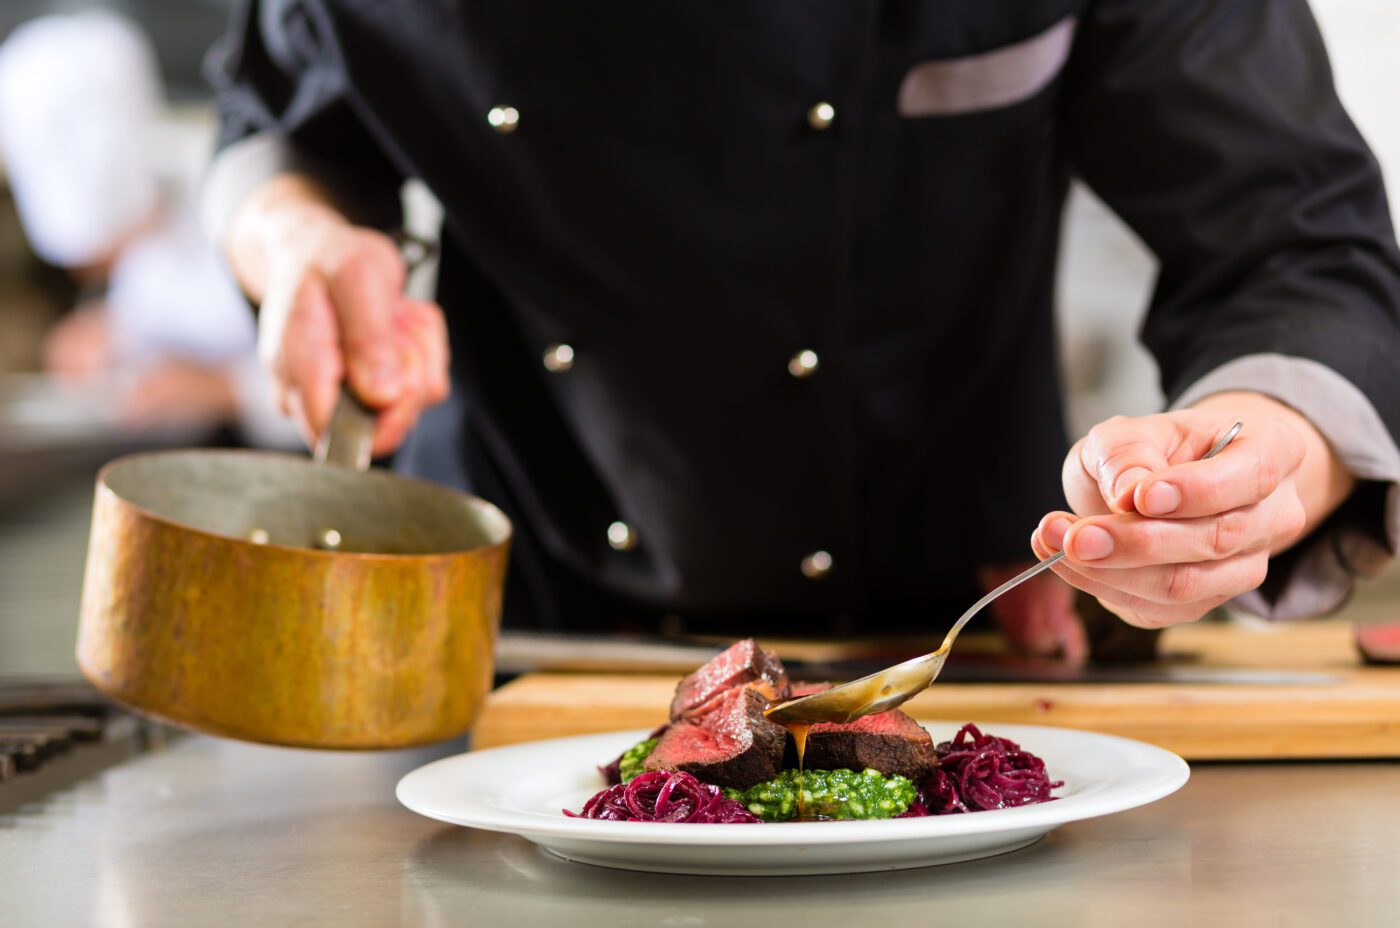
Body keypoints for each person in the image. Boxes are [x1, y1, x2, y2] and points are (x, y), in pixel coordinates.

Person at [203, 1, 1400, 654]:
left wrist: (1254, 459)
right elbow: (279, 125)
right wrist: (296, 237)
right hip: (505, 637)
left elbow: (1292, 243)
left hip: (955, 639)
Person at [0, 10, 296, 447]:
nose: (92, 272)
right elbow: (154, 299)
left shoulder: (246, 204)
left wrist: (224, 390)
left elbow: (350, 378)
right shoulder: (140, 242)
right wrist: (110, 331)